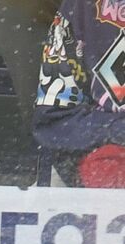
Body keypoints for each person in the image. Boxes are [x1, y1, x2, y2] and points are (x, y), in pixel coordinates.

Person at [33, 0, 125, 187]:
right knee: (107, 170)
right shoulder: (79, 6)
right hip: (102, 165)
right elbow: (54, 121)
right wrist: (115, 131)